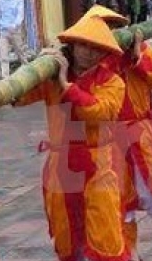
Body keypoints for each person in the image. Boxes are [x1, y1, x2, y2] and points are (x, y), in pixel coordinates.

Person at [13, 15, 129, 261]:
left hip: (96, 167)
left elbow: (98, 112)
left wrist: (67, 85)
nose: (89, 52)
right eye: (83, 44)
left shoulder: (112, 82)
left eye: (96, 48)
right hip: (60, 166)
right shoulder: (52, 76)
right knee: (65, 234)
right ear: (73, 44)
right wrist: (33, 68)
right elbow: (18, 98)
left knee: (104, 233)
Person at [80, 5, 152, 258]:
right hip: (108, 139)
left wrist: (138, 58)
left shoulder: (141, 49)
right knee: (120, 199)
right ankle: (131, 252)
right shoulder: (88, 62)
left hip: (142, 131)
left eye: (112, 27)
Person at [0, 0, 29, 78]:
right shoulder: (0, 0)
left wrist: (15, 25)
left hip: (15, 30)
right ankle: (5, 77)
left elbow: (20, 15)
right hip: (3, 31)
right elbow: (0, 15)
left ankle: (27, 69)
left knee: (20, 52)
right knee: (3, 55)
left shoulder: (19, 0)